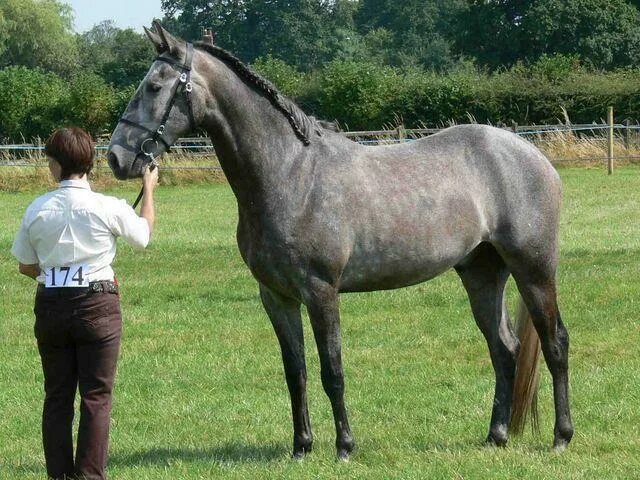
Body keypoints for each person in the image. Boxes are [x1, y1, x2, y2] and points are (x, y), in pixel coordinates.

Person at [10, 127, 158, 480]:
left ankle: (59, 475)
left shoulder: (37, 209)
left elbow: (25, 265)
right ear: (90, 164)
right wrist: (149, 190)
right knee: (96, 396)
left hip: (51, 306)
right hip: (99, 304)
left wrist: (54, 276)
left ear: (57, 165)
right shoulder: (108, 206)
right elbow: (143, 236)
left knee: (57, 397)